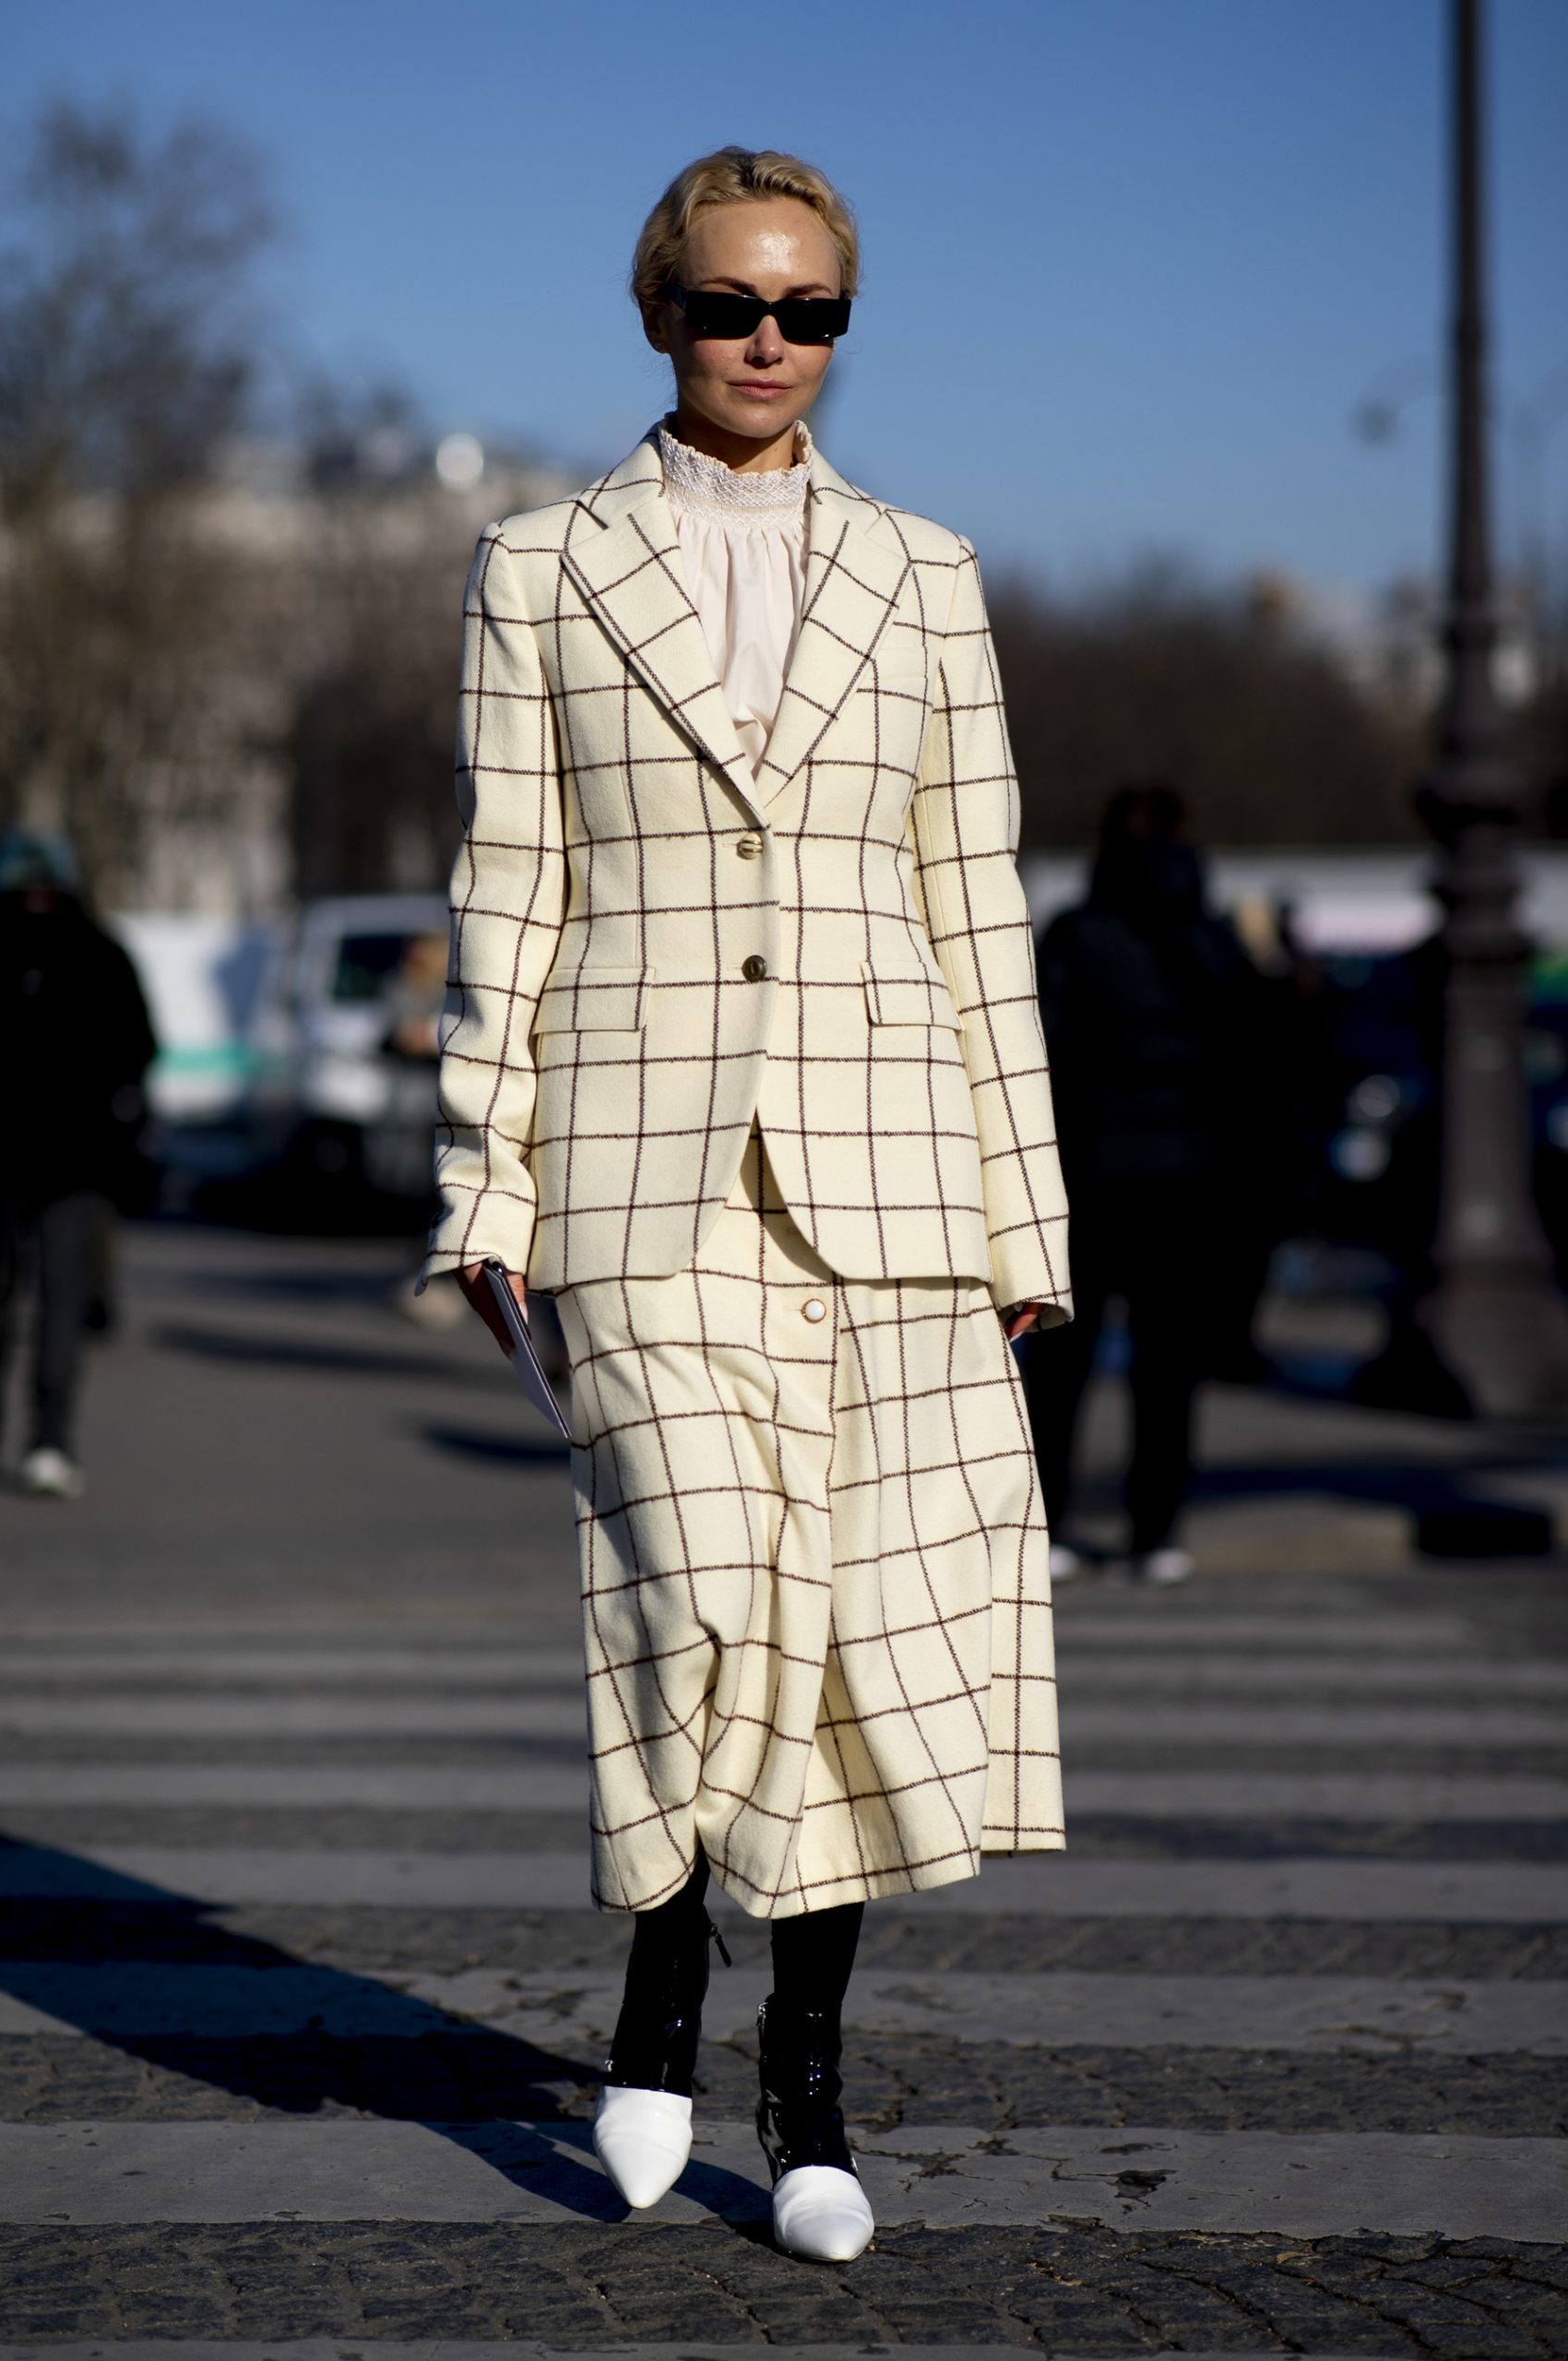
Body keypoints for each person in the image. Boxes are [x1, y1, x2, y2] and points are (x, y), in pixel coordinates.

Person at [422, 148, 1071, 2261]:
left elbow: (970, 909)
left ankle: (798, 2068)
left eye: (808, 312)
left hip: (893, 1182)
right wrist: (478, 1177)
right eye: (730, 307)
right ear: (657, 314)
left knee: (857, 1649)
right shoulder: (539, 565)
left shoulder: (923, 571)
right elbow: (509, 891)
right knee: (703, 1592)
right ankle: (650, 1979)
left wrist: (1022, 1223)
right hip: (634, 1177)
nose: (769, 344)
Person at [1025, 784, 1276, 1584]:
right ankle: (1155, 1533)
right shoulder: (1213, 940)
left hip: (1089, 1176)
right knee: (1167, 1371)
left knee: (1063, 1371)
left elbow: (1041, 1052)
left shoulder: (1076, 935)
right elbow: (1253, 1062)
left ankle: (1052, 1524)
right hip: (1188, 1184)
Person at [0, 828, 156, 1498]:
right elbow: (141, 1051)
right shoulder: (102, 951)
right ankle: (50, 1443)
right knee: (58, 1307)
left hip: (40, 1164)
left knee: (27, 1308)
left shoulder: (95, 952)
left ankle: (49, 1439)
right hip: (72, 1164)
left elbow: (139, 1051)